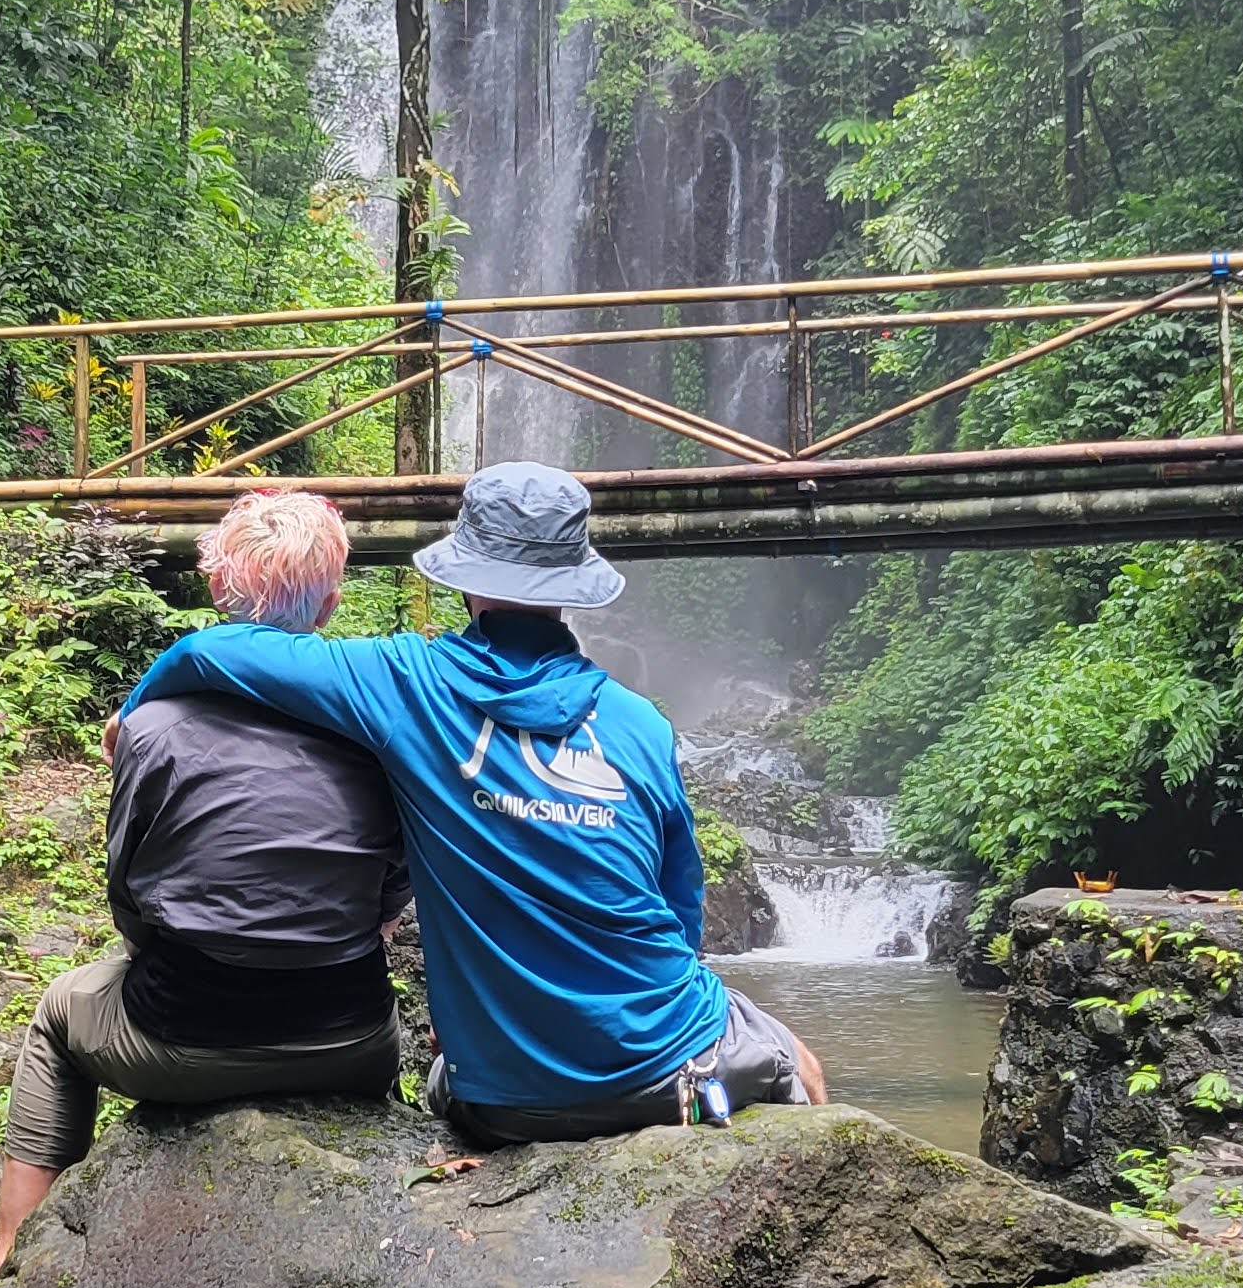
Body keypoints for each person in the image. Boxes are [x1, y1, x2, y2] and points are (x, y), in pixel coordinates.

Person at [113, 459, 825, 1144]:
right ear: (571, 586)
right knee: (801, 1060)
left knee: (441, 1076)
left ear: (464, 574)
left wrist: (131, 715)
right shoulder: (641, 723)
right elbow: (681, 916)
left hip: (502, 1102)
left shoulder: (404, 685)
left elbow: (217, 653)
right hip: (674, 1073)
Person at [0, 488, 407, 1273]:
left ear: (217, 590)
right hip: (351, 1042)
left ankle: (13, 1258)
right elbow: (392, 892)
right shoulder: (379, 732)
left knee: (56, 1015)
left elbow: (132, 892)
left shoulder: (150, 731)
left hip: (181, 1039)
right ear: (331, 606)